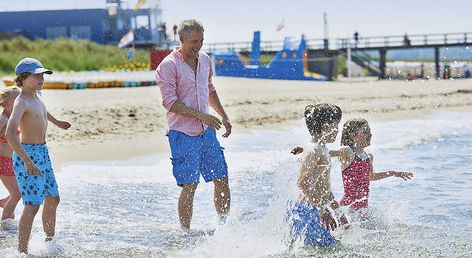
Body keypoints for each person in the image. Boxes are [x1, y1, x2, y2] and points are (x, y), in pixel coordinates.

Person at [156, 19, 231, 230]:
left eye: (201, 41)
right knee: (190, 185)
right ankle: (185, 233)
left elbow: (209, 88)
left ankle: (223, 228)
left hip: (207, 132)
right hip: (182, 133)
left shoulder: (205, 59)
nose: (198, 46)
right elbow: (169, 103)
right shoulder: (168, 66)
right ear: (181, 39)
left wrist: (222, 116)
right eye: (194, 41)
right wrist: (202, 116)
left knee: (222, 179)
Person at [6, 57, 71, 253]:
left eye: (42, 75)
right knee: (32, 205)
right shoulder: (21, 101)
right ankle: (22, 251)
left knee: (53, 197)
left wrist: (57, 122)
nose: (41, 79)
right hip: (28, 155)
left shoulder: (36, 96)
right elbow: (10, 133)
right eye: (37, 76)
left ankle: (49, 242)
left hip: (42, 153)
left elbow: (43, 112)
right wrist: (26, 160)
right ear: (23, 78)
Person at [287, 103, 346, 248]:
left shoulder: (321, 148)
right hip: (307, 209)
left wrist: (338, 211)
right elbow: (303, 183)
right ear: (326, 127)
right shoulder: (314, 150)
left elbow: (323, 188)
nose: (338, 130)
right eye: (336, 126)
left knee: (325, 248)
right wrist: (322, 209)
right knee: (325, 249)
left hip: (311, 208)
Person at [330, 118, 413, 210]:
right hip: (348, 208)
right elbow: (328, 153)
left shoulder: (369, 157)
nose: (370, 135)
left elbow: (371, 177)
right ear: (352, 135)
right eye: (365, 132)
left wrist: (394, 173)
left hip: (364, 208)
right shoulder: (348, 151)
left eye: (369, 132)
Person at [0, 86, 21, 228]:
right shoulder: (2, 120)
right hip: (2, 161)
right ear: (6, 103)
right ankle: (5, 226)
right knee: (17, 194)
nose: (20, 101)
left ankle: (4, 203)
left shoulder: (13, 119)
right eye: (17, 99)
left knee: (19, 191)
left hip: (11, 161)